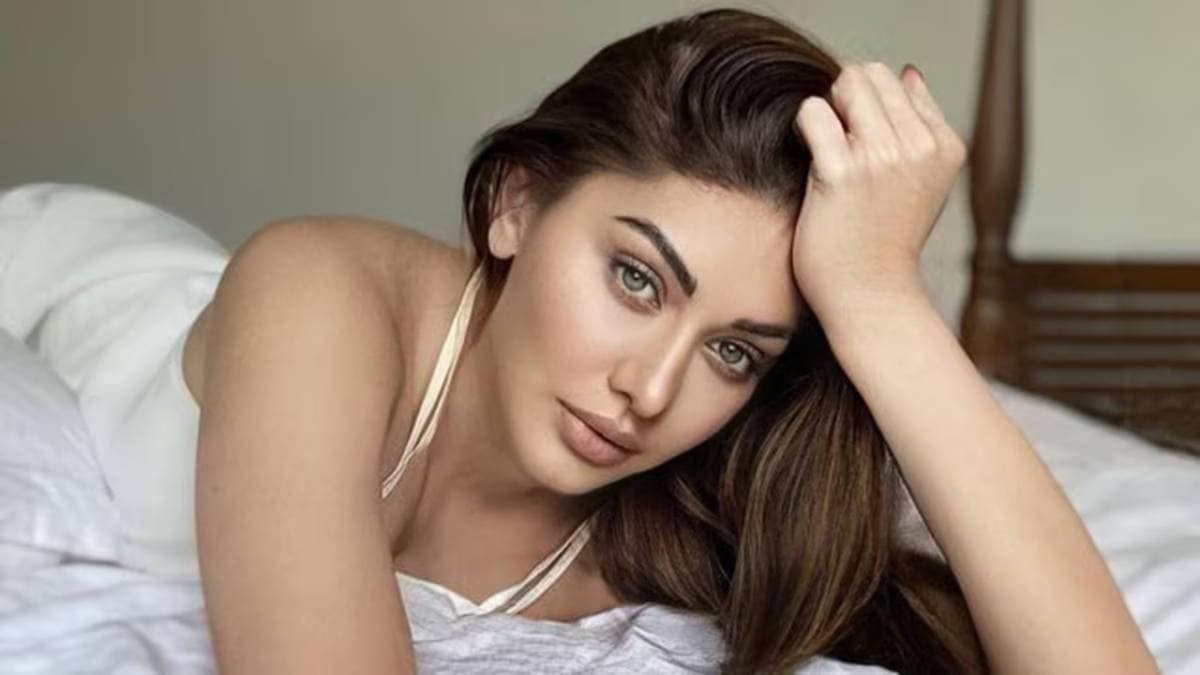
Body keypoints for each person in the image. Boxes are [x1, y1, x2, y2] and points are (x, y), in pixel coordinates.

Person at [11, 7, 1152, 675]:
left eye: (736, 351)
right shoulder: (314, 290)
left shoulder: (675, 524)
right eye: (636, 277)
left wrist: (879, 303)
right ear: (515, 202)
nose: (649, 388)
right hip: (62, 265)